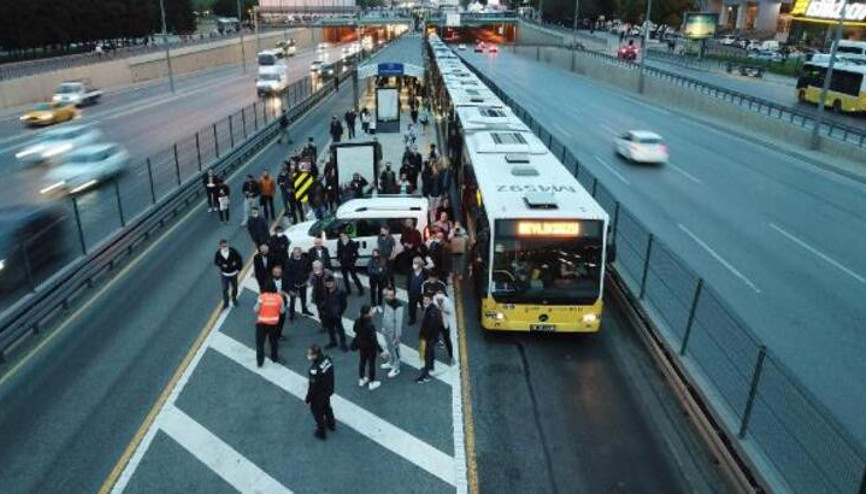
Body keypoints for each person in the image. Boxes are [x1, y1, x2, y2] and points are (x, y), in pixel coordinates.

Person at [305, 344, 335, 440]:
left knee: (318, 414)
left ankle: (321, 433)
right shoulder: (327, 359)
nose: (308, 356)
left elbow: (313, 387)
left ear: (315, 355)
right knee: (327, 408)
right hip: (328, 390)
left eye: (310, 354)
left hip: (318, 395)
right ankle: (331, 424)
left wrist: (308, 398)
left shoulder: (314, 370)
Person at [254, 282, 284, 367]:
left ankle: (260, 362)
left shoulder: (262, 297)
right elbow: (282, 311)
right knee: (274, 342)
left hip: (261, 324)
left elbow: (256, 310)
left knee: (260, 344)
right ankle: (274, 358)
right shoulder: (279, 298)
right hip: (273, 324)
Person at [416, 293, 443, 383]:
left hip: (429, 337)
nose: (424, 301)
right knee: (430, 353)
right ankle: (431, 367)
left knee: (427, 355)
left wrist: (424, 336)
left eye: (427, 300)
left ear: (431, 300)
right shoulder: (433, 309)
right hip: (432, 337)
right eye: (424, 299)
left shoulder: (431, 312)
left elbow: (431, 327)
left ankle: (425, 375)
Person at [353, 305, 381, 390]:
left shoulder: (358, 320)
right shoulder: (370, 325)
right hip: (370, 347)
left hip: (361, 345)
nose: (372, 312)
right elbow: (374, 340)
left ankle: (362, 378)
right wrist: (381, 351)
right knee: (371, 364)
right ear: (367, 314)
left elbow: (354, 329)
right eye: (371, 311)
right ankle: (371, 382)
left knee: (362, 361)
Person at [380, 286, 403, 378]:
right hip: (386, 330)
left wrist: (397, 336)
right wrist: (383, 327)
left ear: (394, 295)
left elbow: (399, 322)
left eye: (391, 295)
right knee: (389, 347)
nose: (389, 297)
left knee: (395, 349)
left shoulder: (398, 306)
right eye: (387, 295)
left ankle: (396, 367)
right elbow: (385, 315)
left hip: (393, 333)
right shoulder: (387, 302)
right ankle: (391, 362)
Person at [321, 275, 348, 351]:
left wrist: (340, 313)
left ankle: (343, 343)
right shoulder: (325, 291)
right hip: (328, 313)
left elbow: (344, 304)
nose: (328, 284)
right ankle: (333, 342)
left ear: (334, 283)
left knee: (340, 329)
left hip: (336, 314)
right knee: (330, 329)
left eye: (330, 283)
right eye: (327, 283)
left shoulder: (340, 292)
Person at [214, 239, 243, 310]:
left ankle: (234, 299)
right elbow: (216, 262)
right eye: (223, 246)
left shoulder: (233, 251)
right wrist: (221, 265)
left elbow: (239, 259)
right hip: (224, 274)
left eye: (226, 245)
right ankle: (226, 303)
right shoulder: (218, 253)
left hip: (233, 274)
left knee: (235, 287)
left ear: (228, 245)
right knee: (225, 289)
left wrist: (238, 268)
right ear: (220, 246)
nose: (225, 247)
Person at [287, 247, 313, 320]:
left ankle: (304, 311)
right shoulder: (289, 262)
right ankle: (291, 315)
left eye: (298, 252)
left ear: (301, 253)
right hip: (293, 285)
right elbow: (287, 275)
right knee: (292, 300)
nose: (297, 253)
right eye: (295, 252)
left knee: (303, 298)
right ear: (293, 253)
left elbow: (309, 270)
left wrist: (306, 279)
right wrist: (290, 286)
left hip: (303, 283)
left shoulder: (305, 260)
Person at [337, 231, 364, 296]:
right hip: (343, 263)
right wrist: (338, 259)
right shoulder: (339, 242)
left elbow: (357, 254)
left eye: (343, 236)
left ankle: (361, 290)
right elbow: (339, 251)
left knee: (354, 277)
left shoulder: (352, 243)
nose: (342, 237)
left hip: (350, 263)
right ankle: (348, 290)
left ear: (346, 235)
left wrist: (353, 261)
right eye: (341, 236)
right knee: (345, 278)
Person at [269, 264, 290, 341]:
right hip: (272, 304)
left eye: (279, 272)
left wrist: (284, 293)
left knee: (281, 320)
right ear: (272, 272)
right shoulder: (269, 281)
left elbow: (287, 288)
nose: (277, 274)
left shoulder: (284, 279)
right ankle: (272, 335)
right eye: (275, 272)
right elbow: (265, 292)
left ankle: (279, 334)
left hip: (282, 303)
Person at [434, 290, 455, 364]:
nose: (439, 301)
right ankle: (437, 341)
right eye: (438, 299)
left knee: (447, 339)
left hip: (444, 323)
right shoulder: (434, 301)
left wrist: (442, 310)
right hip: (435, 322)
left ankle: (451, 357)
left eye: (441, 299)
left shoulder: (447, 302)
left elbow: (450, 312)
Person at [406, 256, 427, 325]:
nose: (413, 265)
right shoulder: (410, 270)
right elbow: (408, 281)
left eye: (415, 263)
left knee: (424, 306)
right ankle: (412, 319)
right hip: (412, 292)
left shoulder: (425, 272)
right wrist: (408, 290)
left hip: (421, 294)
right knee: (412, 306)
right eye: (413, 263)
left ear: (420, 264)